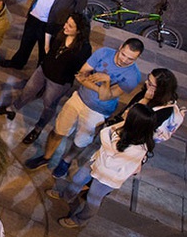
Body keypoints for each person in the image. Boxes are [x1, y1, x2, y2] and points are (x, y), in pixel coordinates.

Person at [26, 39, 144, 178]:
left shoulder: (133, 76)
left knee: (81, 141)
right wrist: (101, 89)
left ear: (137, 58)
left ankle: (66, 161)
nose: (124, 60)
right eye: (123, 54)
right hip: (79, 98)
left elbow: (106, 97)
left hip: (99, 111)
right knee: (59, 130)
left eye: (130, 59)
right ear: (120, 47)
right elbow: (81, 75)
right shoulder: (104, 52)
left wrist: (105, 79)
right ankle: (46, 157)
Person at [49, 104, 156, 228]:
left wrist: (106, 134)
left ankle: (79, 220)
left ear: (134, 121)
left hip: (108, 177)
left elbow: (106, 141)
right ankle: (66, 196)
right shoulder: (125, 127)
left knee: (93, 199)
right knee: (78, 179)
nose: (126, 111)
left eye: (129, 112)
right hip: (96, 162)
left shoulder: (137, 149)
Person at [0, 14, 93, 145]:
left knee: (49, 105)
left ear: (79, 30)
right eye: (66, 22)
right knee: (28, 91)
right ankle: (12, 109)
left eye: (70, 25)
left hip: (59, 81)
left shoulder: (84, 48)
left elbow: (82, 69)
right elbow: (50, 31)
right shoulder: (62, 34)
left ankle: (38, 128)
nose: (65, 26)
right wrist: (46, 47)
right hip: (43, 70)